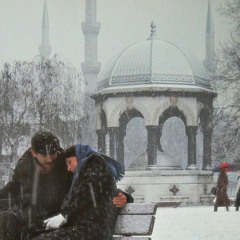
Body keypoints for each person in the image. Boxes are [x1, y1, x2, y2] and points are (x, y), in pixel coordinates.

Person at [0, 131, 131, 239]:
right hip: (35, 221)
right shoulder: (25, 169)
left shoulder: (66, 164)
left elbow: (89, 186)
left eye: (53, 153)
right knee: (6, 219)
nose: (50, 158)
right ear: (34, 153)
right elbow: (10, 191)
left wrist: (121, 195)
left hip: (58, 220)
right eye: (44, 154)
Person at [33, 144, 133, 240]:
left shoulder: (94, 162)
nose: (68, 168)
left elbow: (88, 190)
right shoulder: (82, 175)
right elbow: (100, 187)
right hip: (85, 229)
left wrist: (65, 214)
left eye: (69, 162)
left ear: (79, 156)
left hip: (92, 231)